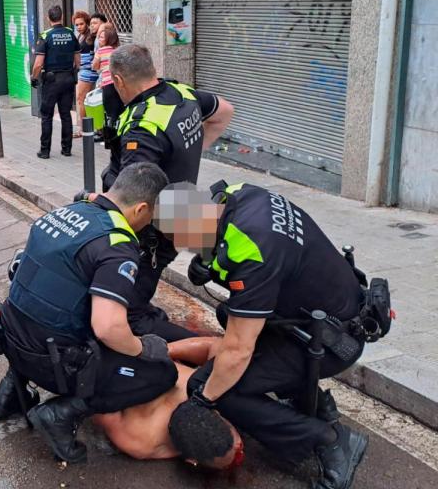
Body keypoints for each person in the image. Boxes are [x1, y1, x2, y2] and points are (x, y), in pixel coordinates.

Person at [159, 182, 377, 489]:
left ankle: (329, 441)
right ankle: (312, 403)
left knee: (218, 388)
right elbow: (258, 260)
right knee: (228, 315)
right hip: (335, 310)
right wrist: (212, 263)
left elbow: (238, 350)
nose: (187, 248)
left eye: (184, 240)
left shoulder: (253, 251)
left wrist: (203, 400)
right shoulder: (240, 193)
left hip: (332, 343)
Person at [0, 162, 178, 464]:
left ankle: (12, 388)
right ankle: (60, 413)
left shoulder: (65, 212)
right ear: (142, 209)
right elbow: (106, 327)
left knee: (56, 301)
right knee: (162, 373)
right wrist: (144, 348)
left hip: (10, 336)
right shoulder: (118, 244)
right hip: (50, 359)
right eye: (151, 217)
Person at [87, 44, 234, 341]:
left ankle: (205, 352)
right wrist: (188, 154)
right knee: (143, 288)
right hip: (185, 205)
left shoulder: (143, 127)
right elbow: (225, 111)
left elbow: (132, 199)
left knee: (130, 312)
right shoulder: (182, 94)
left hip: (153, 227)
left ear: (118, 81)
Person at [93, 337, 245, 471]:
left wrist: (156, 352)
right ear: (192, 461)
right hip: (106, 357)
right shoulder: (141, 443)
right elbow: (97, 408)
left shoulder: (212, 388)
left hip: (115, 351)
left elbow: (216, 345)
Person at [30, 5, 80, 159]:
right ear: (62, 17)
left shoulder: (45, 35)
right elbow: (78, 60)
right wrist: (73, 73)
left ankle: (45, 151)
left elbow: (38, 63)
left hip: (51, 81)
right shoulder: (71, 34)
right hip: (68, 78)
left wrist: (34, 77)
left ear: (48, 18)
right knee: (66, 114)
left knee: (47, 116)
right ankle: (66, 149)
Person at [74, 16, 99, 138]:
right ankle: (86, 127)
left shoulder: (91, 36)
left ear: (87, 24)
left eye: (81, 24)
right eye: (77, 25)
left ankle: (84, 128)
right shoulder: (80, 36)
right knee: (82, 100)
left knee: (81, 99)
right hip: (82, 71)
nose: (79, 27)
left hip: (88, 72)